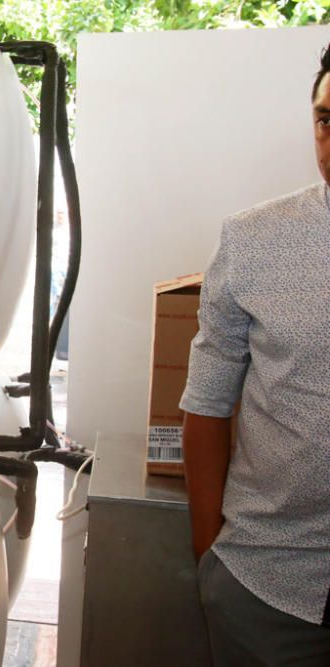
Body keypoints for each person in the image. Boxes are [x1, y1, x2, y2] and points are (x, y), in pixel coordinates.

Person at [180, 43, 330, 666]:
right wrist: (209, 555)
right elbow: (207, 405)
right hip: (269, 587)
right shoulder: (255, 240)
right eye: (327, 120)